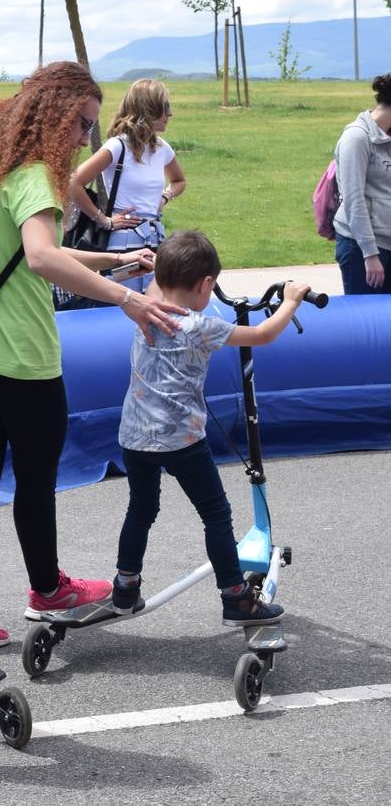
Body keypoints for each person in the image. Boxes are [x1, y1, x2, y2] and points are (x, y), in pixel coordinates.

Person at [0, 62, 183, 648]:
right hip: (26, 358)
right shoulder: (36, 178)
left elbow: (31, 255)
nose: (82, 139)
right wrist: (127, 296)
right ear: (51, 115)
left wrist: (115, 263)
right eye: (79, 124)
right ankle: (48, 590)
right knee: (36, 482)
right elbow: (44, 257)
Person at [110, 229, 292, 627]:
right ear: (206, 284)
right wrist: (291, 302)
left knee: (141, 509)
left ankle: (125, 586)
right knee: (215, 514)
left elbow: (113, 283)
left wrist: (149, 268)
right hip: (181, 441)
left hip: (135, 437)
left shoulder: (143, 309)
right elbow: (262, 334)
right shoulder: (200, 325)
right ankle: (235, 597)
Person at [69, 79, 187, 292]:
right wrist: (103, 220)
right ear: (149, 108)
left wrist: (164, 197)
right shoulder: (118, 146)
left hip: (155, 238)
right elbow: (74, 182)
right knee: (123, 305)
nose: (170, 114)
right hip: (123, 242)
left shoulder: (162, 148)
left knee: (155, 304)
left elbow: (179, 181)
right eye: (165, 106)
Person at [333, 72, 391, 294]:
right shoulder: (356, 138)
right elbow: (354, 199)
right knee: (365, 322)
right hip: (362, 250)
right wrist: (370, 254)